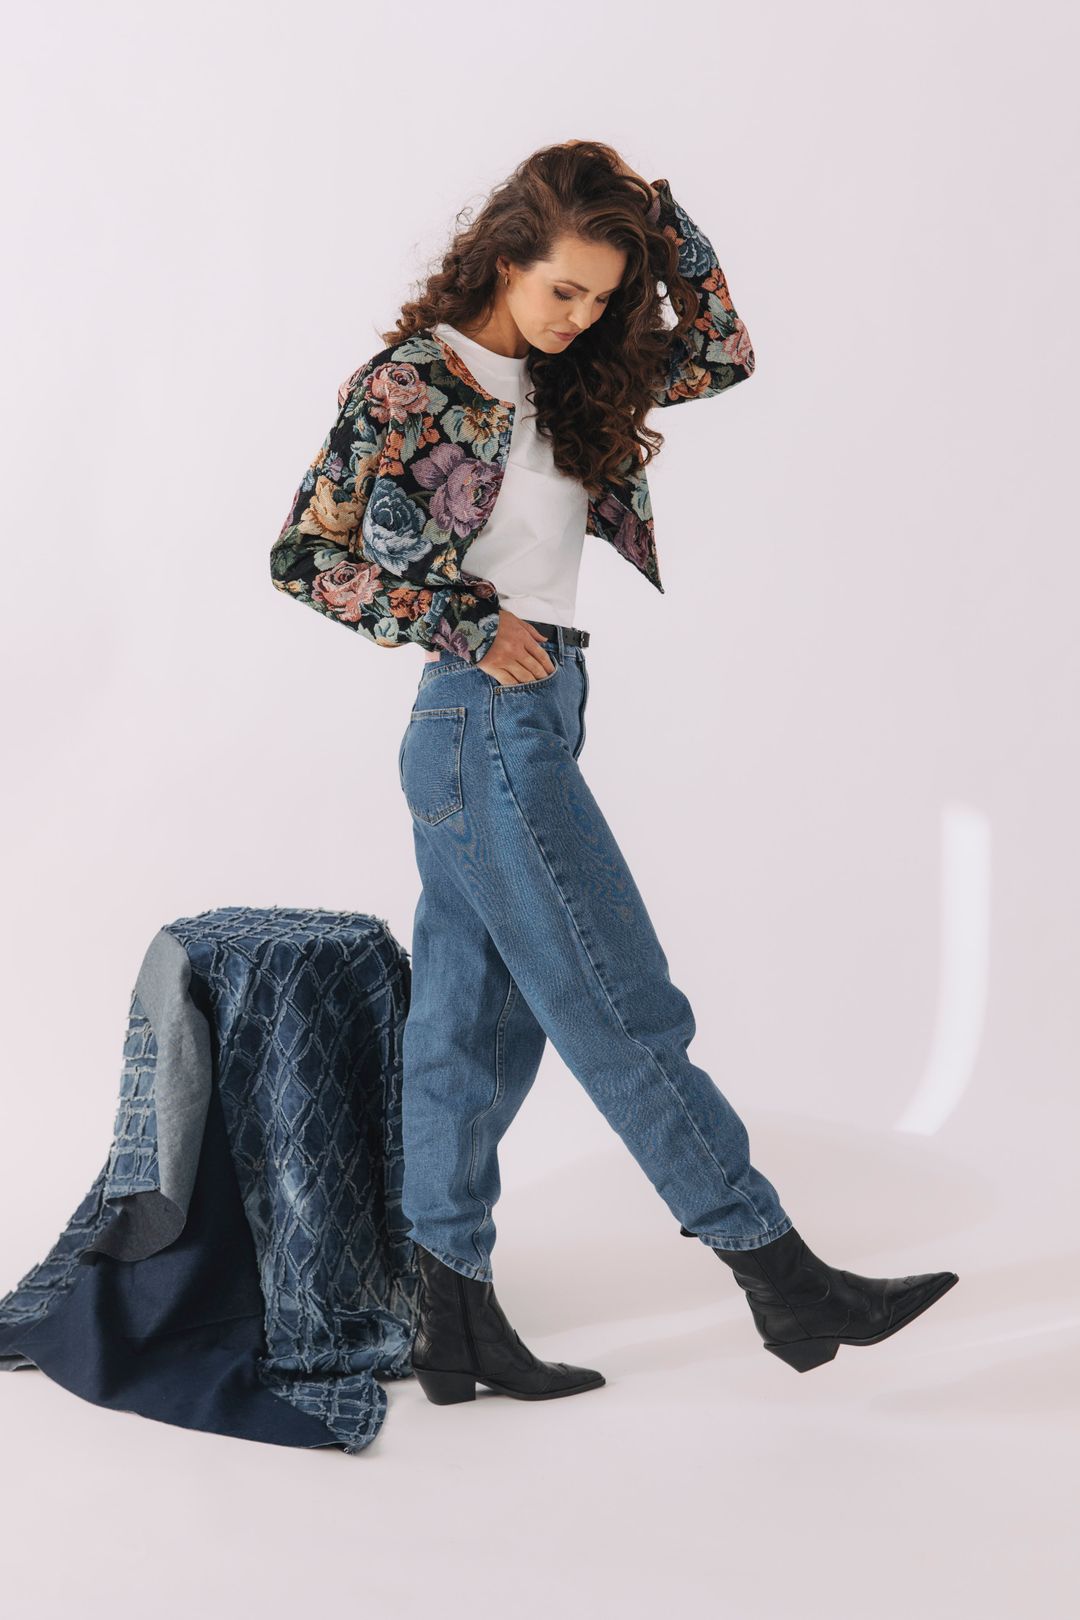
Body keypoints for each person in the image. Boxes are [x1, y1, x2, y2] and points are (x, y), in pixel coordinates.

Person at [271, 140, 959, 1406]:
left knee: (470, 1032)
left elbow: (724, 352)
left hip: (529, 718)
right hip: (482, 716)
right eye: (563, 289)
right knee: (619, 1002)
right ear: (503, 258)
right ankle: (778, 1272)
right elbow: (304, 557)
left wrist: (661, 217)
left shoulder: (568, 376)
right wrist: (467, 620)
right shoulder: (412, 383)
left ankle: (450, 1320)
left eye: (602, 296)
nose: (582, 317)